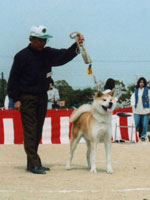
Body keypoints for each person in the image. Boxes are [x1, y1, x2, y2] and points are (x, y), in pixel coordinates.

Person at [7, 25, 84, 174]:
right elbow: (13, 80)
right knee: (30, 131)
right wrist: (15, 98)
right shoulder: (21, 56)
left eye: (44, 40)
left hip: (42, 97)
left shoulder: (47, 53)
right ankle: (35, 163)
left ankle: (32, 163)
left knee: (37, 130)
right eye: (40, 40)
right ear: (31, 39)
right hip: (27, 98)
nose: (43, 43)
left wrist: (78, 44)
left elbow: (64, 56)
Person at [131, 77, 150, 141]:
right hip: (137, 109)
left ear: (144, 83)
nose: (141, 83)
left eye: (143, 82)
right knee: (135, 124)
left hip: (145, 109)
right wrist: (133, 106)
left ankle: (143, 136)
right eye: (140, 82)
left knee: (144, 124)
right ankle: (133, 135)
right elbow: (133, 99)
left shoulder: (147, 90)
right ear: (138, 83)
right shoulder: (136, 90)